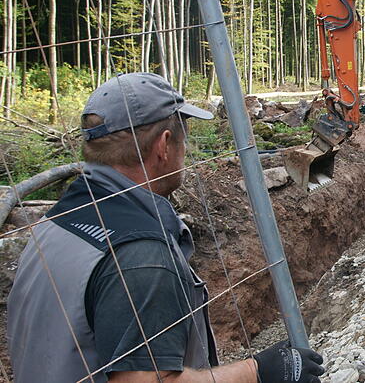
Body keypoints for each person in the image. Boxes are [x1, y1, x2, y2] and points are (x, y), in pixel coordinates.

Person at [7, 73, 325, 383]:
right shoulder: (141, 255)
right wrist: (256, 372)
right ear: (164, 145)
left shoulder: (57, 221)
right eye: (184, 139)